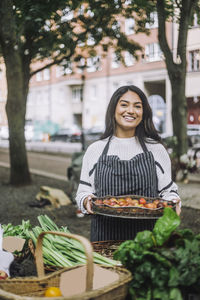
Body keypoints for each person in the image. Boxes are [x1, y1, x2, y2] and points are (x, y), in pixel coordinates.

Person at [75, 85, 181, 242]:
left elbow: (168, 191)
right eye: (124, 104)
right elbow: (83, 192)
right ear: (113, 109)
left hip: (147, 240)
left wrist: (173, 201)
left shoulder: (156, 149)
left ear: (143, 112)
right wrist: (86, 200)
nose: (131, 111)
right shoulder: (95, 150)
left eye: (137, 106)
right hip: (104, 238)